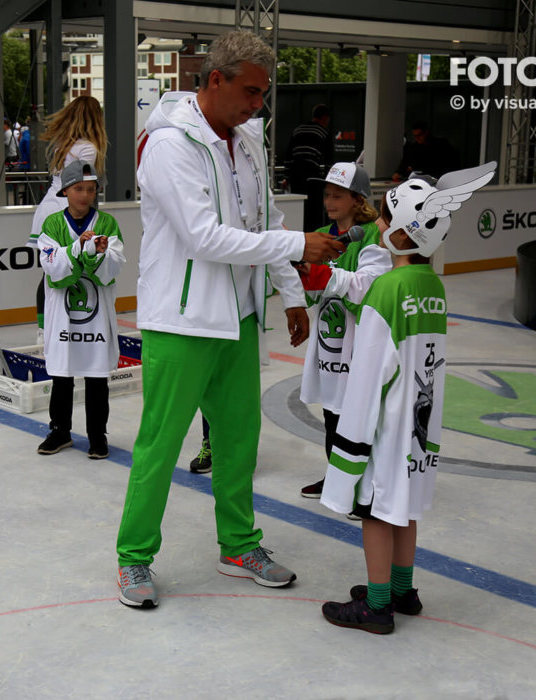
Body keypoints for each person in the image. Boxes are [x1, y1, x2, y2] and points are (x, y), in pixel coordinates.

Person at [115, 30, 344, 609]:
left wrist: (291, 292)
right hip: (181, 321)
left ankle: (239, 545)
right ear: (214, 79)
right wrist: (298, 244)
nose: (257, 105)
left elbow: (264, 216)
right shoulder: (170, 145)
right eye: (250, 91)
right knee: (160, 446)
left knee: (239, 442)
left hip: (239, 318)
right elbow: (203, 237)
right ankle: (134, 558)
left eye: (263, 95)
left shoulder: (247, 142)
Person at [319, 163, 496, 634]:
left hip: (386, 426)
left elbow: (369, 376)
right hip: (419, 428)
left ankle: (377, 606)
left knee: (375, 512)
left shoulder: (387, 290)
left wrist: (349, 445)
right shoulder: (431, 285)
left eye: (383, 218)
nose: (377, 223)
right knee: (405, 507)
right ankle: (403, 590)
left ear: (399, 233)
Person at [296, 162, 391, 500]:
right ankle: (336, 478)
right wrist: (302, 277)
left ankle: (362, 488)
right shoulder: (322, 234)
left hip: (357, 343)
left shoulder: (371, 237)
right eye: (326, 195)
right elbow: (312, 294)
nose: (330, 201)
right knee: (332, 415)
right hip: (329, 342)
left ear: (357, 199)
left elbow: (367, 289)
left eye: (337, 195)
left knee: (358, 416)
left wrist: (321, 277)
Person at [35, 160, 125, 459]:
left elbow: (112, 268)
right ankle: (60, 431)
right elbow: (52, 268)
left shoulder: (107, 224)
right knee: (62, 375)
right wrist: (78, 249)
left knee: (97, 377)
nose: (85, 195)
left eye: (90, 189)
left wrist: (95, 253)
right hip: (64, 315)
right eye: (78, 189)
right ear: (65, 191)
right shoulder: (51, 224)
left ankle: (97, 436)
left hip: (96, 318)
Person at [27, 96, 108, 341]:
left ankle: (45, 330)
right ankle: (59, 330)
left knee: (51, 272)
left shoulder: (64, 143)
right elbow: (81, 186)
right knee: (69, 270)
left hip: (49, 207)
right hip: (65, 211)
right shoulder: (88, 148)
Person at [284, 104, 333, 231]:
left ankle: (297, 231)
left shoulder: (298, 130)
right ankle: (312, 233)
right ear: (325, 118)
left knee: (298, 204)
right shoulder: (324, 132)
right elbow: (329, 160)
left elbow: (288, 155)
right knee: (314, 208)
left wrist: (286, 177)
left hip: (295, 174)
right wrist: (328, 179)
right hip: (312, 174)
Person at [392, 121, 460, 182]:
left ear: (426, 132)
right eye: (415, 136)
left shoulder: (441, 144)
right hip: (422, 179)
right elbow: (405, 161)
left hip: (440, 178)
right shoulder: (414, 147)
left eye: (419, 135)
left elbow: (452, 161)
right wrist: (398, 172)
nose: (417, 138)